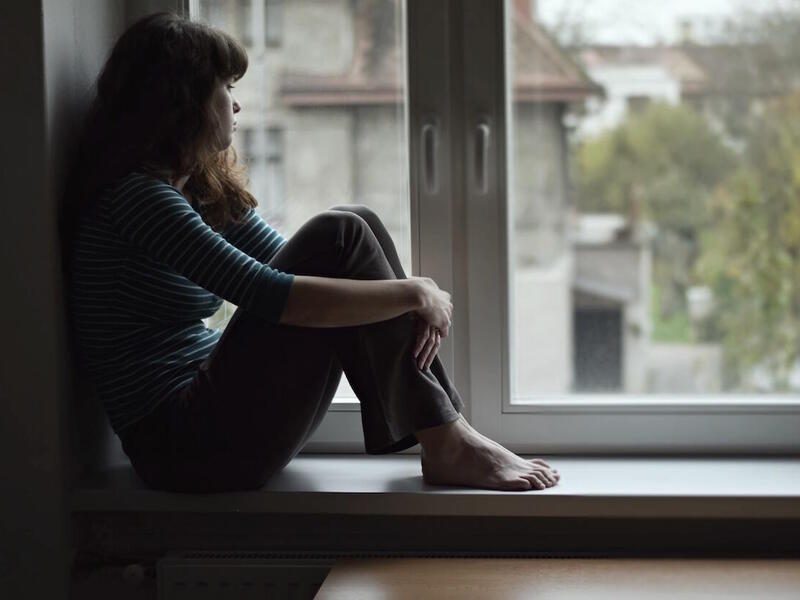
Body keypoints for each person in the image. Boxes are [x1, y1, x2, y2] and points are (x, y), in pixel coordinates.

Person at [66, 11, 560, 494]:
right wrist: (411, 293)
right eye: (227, 89)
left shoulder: (193, 189)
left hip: (213, 425)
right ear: (185, 101)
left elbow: (295, 263)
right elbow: (270, 293)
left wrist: (404, 294)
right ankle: (447, 439)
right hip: (184, 448)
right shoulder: (137, 199)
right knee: (341, 232)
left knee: (356, 224)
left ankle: (447, 436)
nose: (236, 107)